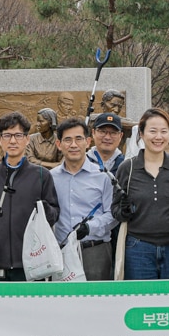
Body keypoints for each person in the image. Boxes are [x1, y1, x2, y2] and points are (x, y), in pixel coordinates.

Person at [0, 112, 60, 281]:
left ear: (27, 139)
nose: (12, 141)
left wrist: (45, 209)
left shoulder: (41, 175)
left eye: (18, 135)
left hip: (31, 264)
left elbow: (54, 214)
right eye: (7, 135)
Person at [112, 108, 169, 280]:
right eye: (152, 131)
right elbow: (115, 208)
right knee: (141, 302)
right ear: (141, 134)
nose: (158, 137)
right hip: (138, 248)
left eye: (164, 131)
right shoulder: (127, 169)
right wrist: (122, 211)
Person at [51, 118, 116, 281]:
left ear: (87, 142)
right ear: (59, 144)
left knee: (97, 303)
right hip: (62, 251)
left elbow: (113, 215)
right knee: (63, 302)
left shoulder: (104, 176)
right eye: (68, 140)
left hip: (95, 252)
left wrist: (90, 227)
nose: (73, 145)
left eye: (78, 139)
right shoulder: (51, 177)